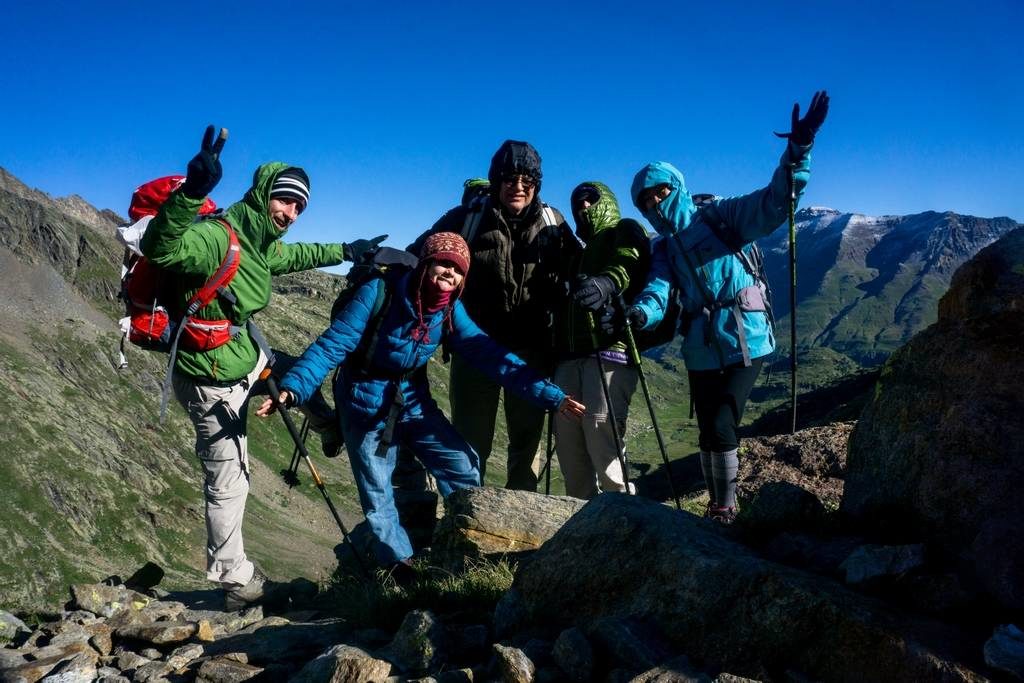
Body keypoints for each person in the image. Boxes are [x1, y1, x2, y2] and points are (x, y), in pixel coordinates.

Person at [139, 125, 385, 609]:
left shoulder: (263, 242)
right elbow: (161, 249)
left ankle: (326, 426)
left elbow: (296, 255)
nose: (291, 214)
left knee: (297, 374)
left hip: (245, 357)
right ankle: (235, 582)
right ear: (263, 193)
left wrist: (347, 251)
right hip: (211, 378)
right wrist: (192, 193)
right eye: (286, 201)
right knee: (230, 480)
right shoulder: (216, 236)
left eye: (299, 208)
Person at [257, 232, 585, 575]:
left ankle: (468, 542)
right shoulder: (378, 293)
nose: (449, 273)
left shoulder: (450, 310)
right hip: (363, 399)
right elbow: (332, 346)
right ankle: (399, 567)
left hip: (412, 397)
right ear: (426, 263)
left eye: (457, 269)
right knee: (377, 486)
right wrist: (292, 390)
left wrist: (552, 395)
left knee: (462, 463)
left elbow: (492, 356)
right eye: (442, 263)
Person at [623, 91, 830, 524]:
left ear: (674, 186)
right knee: (706, 431)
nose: (653, 205)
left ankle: (724, 508)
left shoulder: (721, 215)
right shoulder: (665, 247)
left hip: (746, 337)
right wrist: (641, 313)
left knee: (721, 424)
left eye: (658, 193)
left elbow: (777, 200)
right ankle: (717, 507)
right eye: (644, 202)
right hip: (700, 345)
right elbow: (659, 290)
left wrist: (800, 147)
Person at [411, 141, 576, 490]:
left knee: (526, 445)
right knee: (470, 443)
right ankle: (466, 517)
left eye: (527, 180)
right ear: (496, 180)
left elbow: (577, 267)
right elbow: (419, 255)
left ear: (537, 184)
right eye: (509, 179)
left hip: (531, 353)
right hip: (475, 349)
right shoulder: (466, 219)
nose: (518, 187)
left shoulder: (553, 223)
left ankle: (521, 526)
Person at [553, 181, 648, 499]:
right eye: (577, 202)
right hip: (570, 354)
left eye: (590, 199)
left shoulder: (624, 229)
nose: (583, 207)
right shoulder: (577, 253)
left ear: (606, 200)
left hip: (610, 350)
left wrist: (607, 283)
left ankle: (622, 511)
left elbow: (628, 262)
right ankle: (578, 520)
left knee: (600, 431)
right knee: (568, 439)